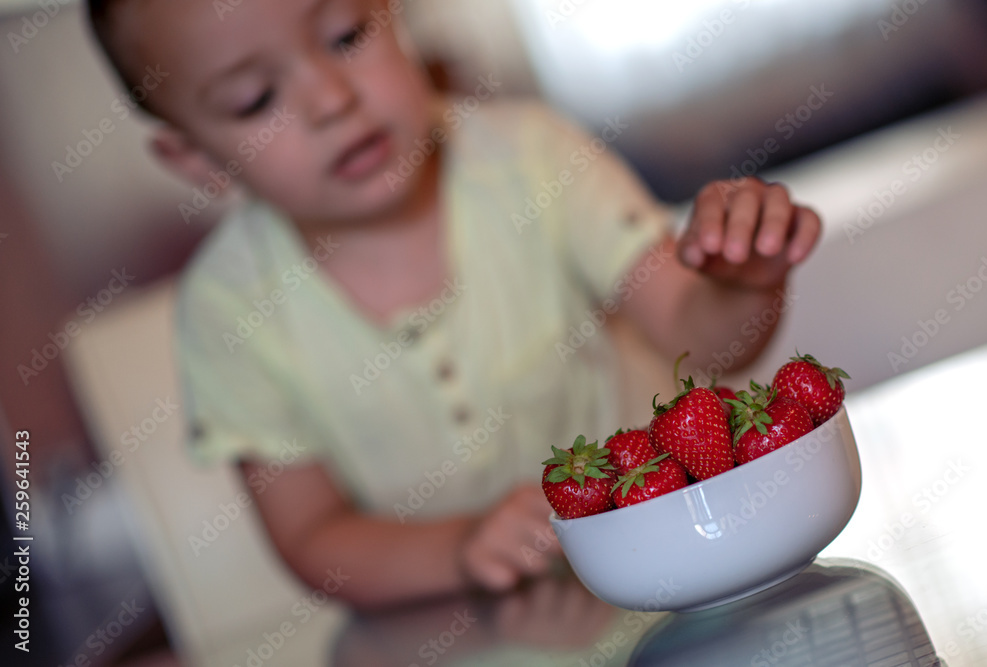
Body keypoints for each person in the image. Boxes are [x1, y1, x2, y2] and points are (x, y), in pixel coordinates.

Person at [86, 0, 822, 610]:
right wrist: (462, 546)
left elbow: (709, 343)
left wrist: (743, 279)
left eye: (347, 36)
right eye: (256, 99)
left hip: (677, 583)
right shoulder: (226, 309)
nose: (331, 99)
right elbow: (312, 537)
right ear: (196, 159)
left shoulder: (536, 156)